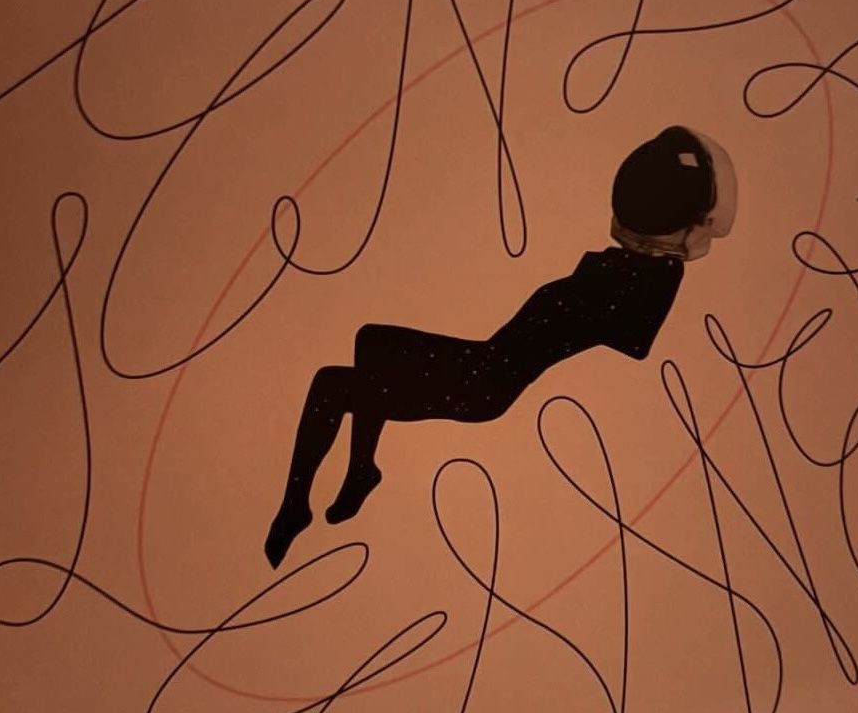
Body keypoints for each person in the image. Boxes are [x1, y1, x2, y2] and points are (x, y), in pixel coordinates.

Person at [264, 126, 737, 567]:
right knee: (371, 339)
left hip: (482, 387)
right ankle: (362, 471)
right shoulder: (627, 271)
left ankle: (294, 506)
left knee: (331, 385)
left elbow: (633, 339)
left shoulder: (647, 281)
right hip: (484, 359)